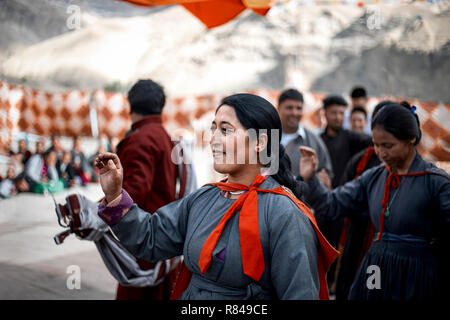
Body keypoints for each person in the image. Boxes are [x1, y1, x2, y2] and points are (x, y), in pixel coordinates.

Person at [94, 93, 338, 300]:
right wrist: (115, 195)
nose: (213, 140)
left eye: (225, 130)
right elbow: (150, 238)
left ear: (259, 142)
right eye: (213, 129)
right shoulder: (204, 198)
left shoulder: (285, 214)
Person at [300, 103, 449, 300]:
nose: (381, 153)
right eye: (376, 145)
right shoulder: (375, 177)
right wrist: (311, 179)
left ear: (411, 139)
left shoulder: (436, 182)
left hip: (417, 271)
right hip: (375, 269)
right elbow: (332, 204)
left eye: (388, 145)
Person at [110, 79, 191, 300]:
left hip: (143, 241)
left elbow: (135, 190)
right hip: (163, 236)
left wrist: (101, 208)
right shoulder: (162, 135)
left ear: (130, 106)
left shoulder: (140, 139)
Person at [334, 100, 392, 300]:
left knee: (374, 290)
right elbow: (342, 197)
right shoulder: (361, 160)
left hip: (383, 245)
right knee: (347, 286)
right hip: (356, 236)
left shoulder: (405, 165)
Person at [277, 89, 333, 189]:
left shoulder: (314, 141)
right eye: (289, 108)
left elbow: (325, 175)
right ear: (278, 108)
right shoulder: (268, 138)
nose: (294, 112)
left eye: (298, 108)